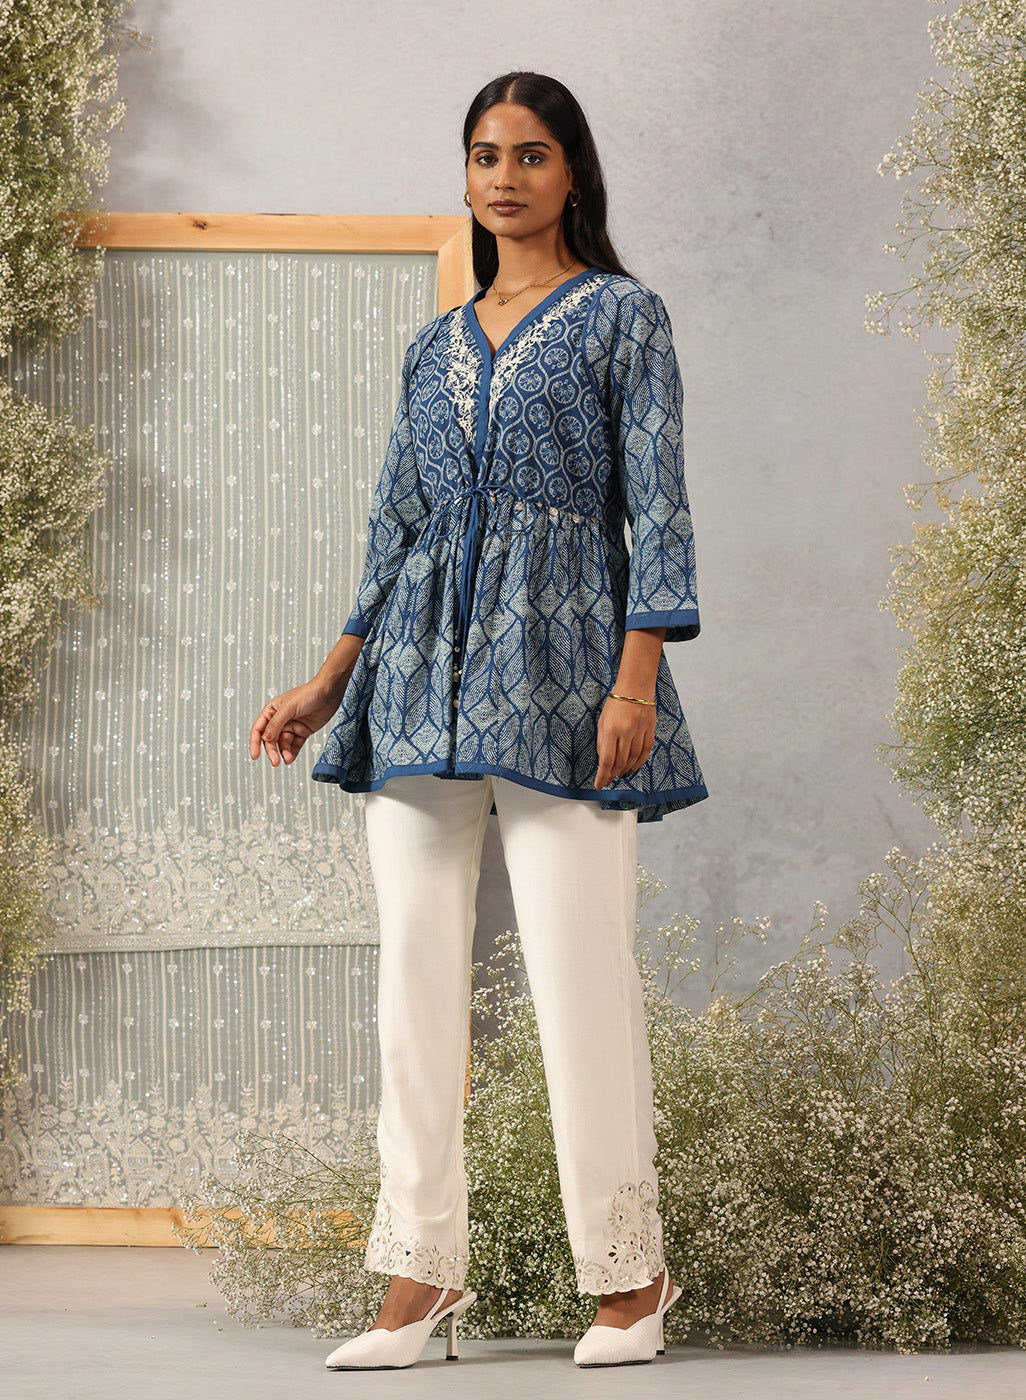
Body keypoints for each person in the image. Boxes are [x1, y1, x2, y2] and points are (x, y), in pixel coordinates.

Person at [249, 69, 707, 1371]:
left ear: (573, 174)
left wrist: (634, 681)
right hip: (411, 681)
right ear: (465, 174)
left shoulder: (622, 316)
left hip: (565, 676)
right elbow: (398, 525)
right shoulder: (434, 346)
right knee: (412, 982)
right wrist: (328, 679)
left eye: (531, 153)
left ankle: (630, 1277)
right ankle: (417, 1275)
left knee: (579, 979)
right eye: (485, 154)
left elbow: (658, 506)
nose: (505, 175)